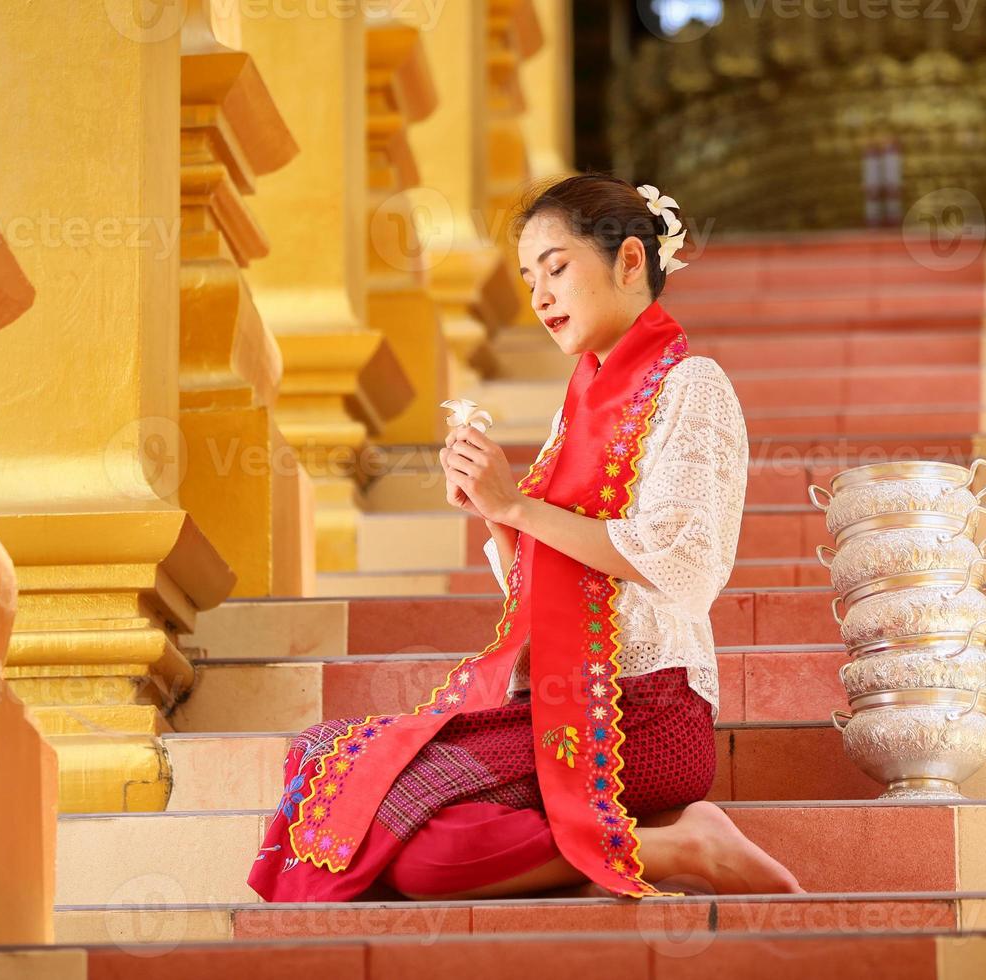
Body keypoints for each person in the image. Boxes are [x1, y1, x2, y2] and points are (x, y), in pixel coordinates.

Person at [248, 173, 803, 902]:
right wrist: (492, 508)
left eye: (557, 267)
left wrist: (518, 507)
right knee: (328, 762)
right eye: (527, 277)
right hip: (554, 697)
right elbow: (539, 591)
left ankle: (687, 846)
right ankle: (646, 846)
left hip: (648, 712)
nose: (539, 296)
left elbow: (685, 568)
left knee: (422, 857)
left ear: (630, 262)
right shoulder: (574, 414)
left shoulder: (691, 386)